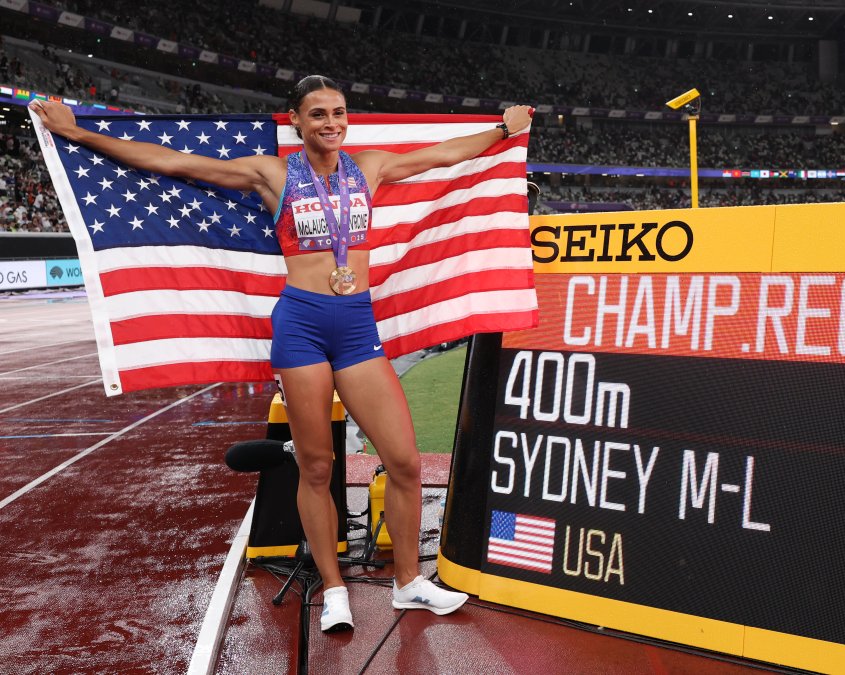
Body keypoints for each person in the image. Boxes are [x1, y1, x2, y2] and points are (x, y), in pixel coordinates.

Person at [31, 75, 534, 634]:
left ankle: (409, 583)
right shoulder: (273, 173)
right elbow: (172, 163)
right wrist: (80, 134)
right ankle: (335, 587)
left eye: (338, 112)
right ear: (295, 120)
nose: (331, 123)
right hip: (301, 327)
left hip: (357, 325)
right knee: (317, 466)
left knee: (406, 462)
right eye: (318, 114)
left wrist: (499, 131)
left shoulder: (368, 167)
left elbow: (441, 155)